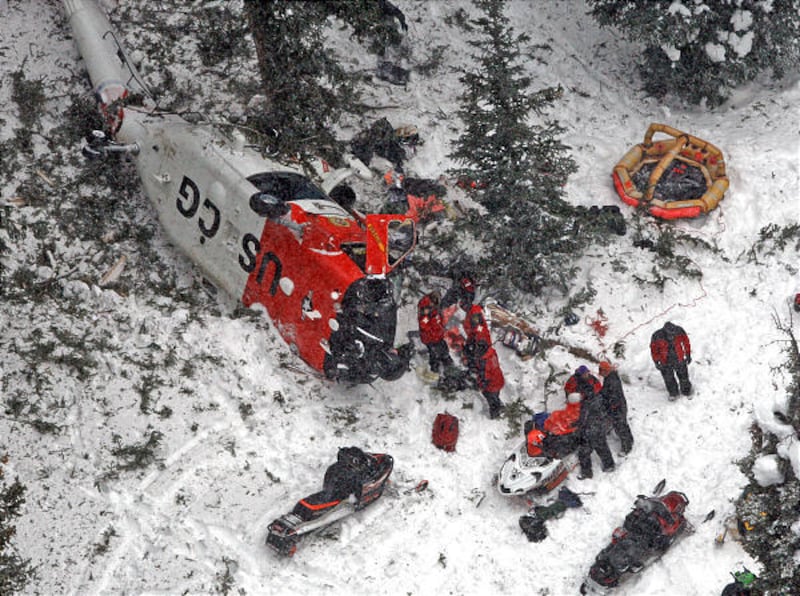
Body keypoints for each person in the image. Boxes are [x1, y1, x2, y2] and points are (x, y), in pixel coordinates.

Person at [576, 377, 615, 479]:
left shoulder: (587, 403)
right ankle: (609, 465)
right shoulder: (597, 397)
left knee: (584, 452)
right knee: (602, 447)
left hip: (592, 430)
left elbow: (584, 418)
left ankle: (587, 473)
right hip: (598, 428)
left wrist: (579, 425)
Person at [598, 361, 634, 455]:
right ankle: (629, 440)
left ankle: (627, 447)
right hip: (620, 405)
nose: (600, 373)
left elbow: (612, 396)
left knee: (620, 427)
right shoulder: (611, 377)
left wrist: (607, 404)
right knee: (623, 424)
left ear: (605, 370)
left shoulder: (611, 380)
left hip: (617, 408)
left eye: (601, 371)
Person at [650, 321, 692, 399]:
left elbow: (686, 342)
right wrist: (656, 361)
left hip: (679, 357)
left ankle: (686, 391)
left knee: (683, 376)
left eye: (673, 334)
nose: (672, 336)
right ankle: (673, 393)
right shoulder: (657, 335)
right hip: (665, 360)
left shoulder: (679, 331)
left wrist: (688, 354)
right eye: (670, 335)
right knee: (668, 378)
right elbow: (654, 349)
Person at [464, 339, 505, 419]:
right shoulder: (491, 353)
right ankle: (498, 404)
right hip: (498, 379)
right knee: (495, 396)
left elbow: (484, 377)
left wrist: (479, 385)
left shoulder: (485, 362)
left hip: (493, 384)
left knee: (490, 397)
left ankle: (495, 414)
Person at [417, 291, 453, 374]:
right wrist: (434, 332)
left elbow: (438, 319)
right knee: (434, 354)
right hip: (430, 338)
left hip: (437, 336)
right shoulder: (426, 310)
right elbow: (424, 325)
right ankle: (435, 371)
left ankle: (449, 367)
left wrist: (440, 328)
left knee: (444, 350)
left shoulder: (435, 308)